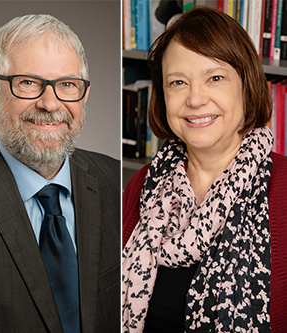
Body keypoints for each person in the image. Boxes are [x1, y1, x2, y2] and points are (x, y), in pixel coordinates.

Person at [122, 6, 287, 333]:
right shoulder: (140, 185)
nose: (195, 99)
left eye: (215, 77)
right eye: (178, 82)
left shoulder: (284, 189)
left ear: (247, 85)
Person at [0, 14, 120, 332]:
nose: (49, 103)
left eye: (67, 85)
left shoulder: (116, 181)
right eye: (28, 83)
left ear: (84, 95)